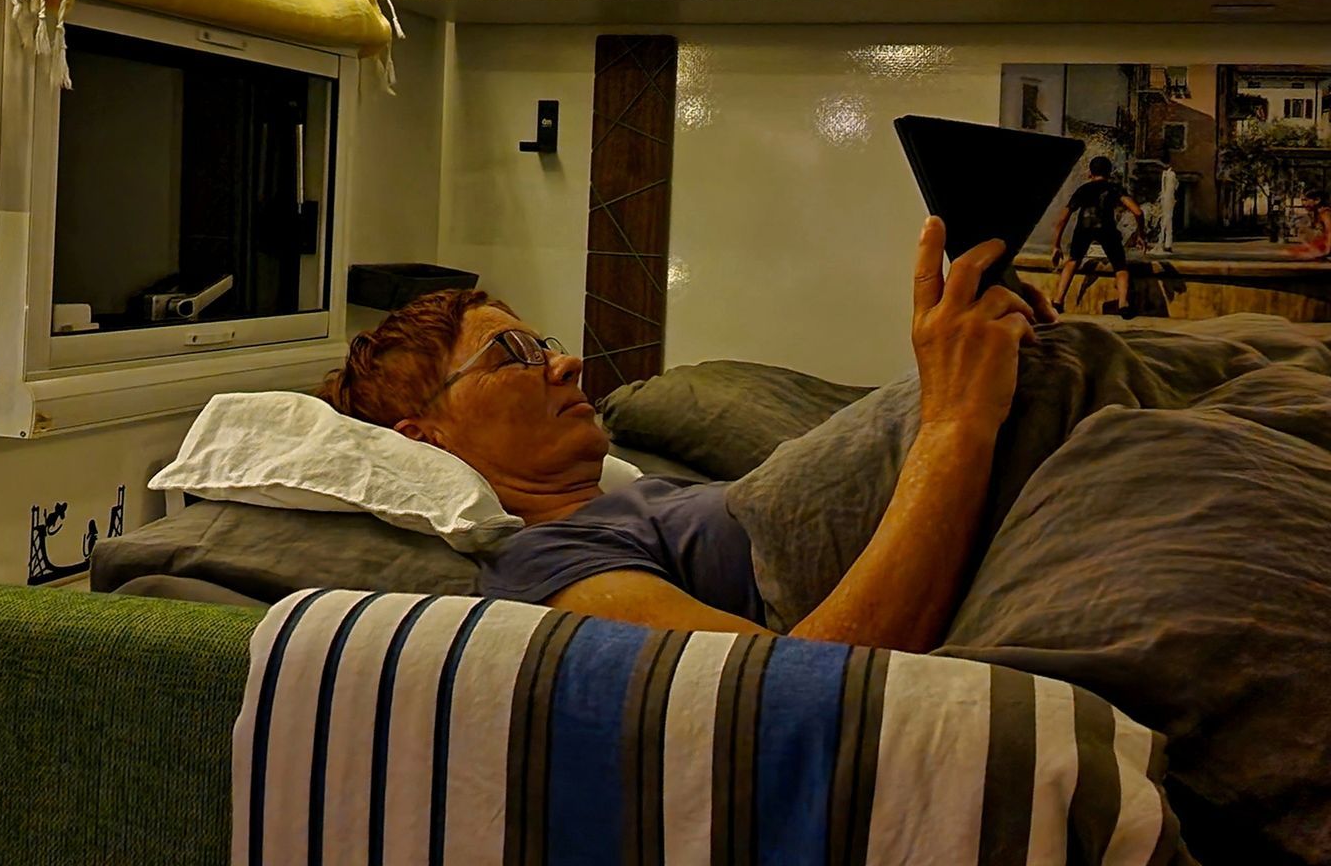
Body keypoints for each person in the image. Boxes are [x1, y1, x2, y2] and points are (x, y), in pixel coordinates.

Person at [321, 220, 1050, 650]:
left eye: (545, 345)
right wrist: (954, 419)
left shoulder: (636, 498)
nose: (567, 364)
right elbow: (799, 687)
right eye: (514, 355)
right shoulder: (545, 560)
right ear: (428, 438)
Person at [1047, 157, 1145, 317]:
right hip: (1106, 229)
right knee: (1120, 266)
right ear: (1109, 172)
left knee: (1073, 261)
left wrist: (1056, 245)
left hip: (1084, 227)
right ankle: (1123, 304)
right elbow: (1138, 212)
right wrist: (1141, 235)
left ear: (1090, 173)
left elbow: (1062, 219)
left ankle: (1058, 301)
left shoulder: (1083, 189)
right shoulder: (1114, 188)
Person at [1290, 188, 1331, 260]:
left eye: (1305, 200)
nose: (1303, 203)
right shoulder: (1316, 214)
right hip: (1318, 248)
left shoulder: (1326, 214)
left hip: (1325, 249)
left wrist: (1327, 251)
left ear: (1317, 200)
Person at [1154, 151, 1179, 254]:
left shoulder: (1169, 174)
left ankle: (1166, 244)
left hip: (1168, 200)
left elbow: (1171, 188)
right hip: (1166, 200)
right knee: (1165, 222)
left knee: (1167, 222)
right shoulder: (1166, 174)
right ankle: (1164, 243)